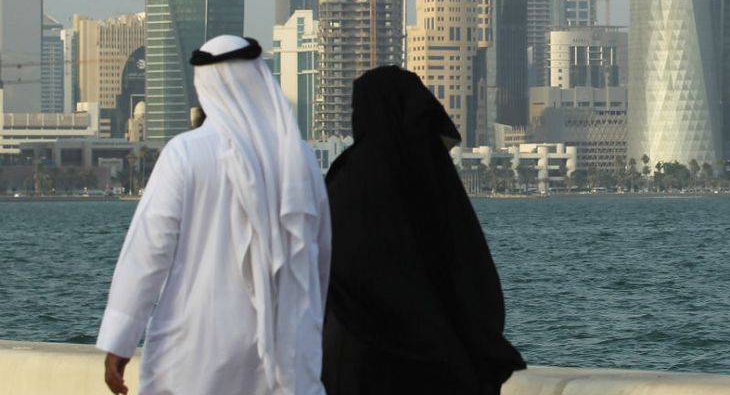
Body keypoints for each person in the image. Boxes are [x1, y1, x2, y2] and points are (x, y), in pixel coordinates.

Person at [96, 35, 331, 395]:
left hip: (192, 352)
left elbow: (148, 253)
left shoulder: (184, 154)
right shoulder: (297, 157)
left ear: (203, 84)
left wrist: (120, 340)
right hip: (280, 355)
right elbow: (318, 256)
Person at [322, 66, 525, 394]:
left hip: (358, 353)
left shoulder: (348, 177)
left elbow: (335, 265)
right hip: (435, 356)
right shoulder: (432, 177)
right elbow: (466, 267)